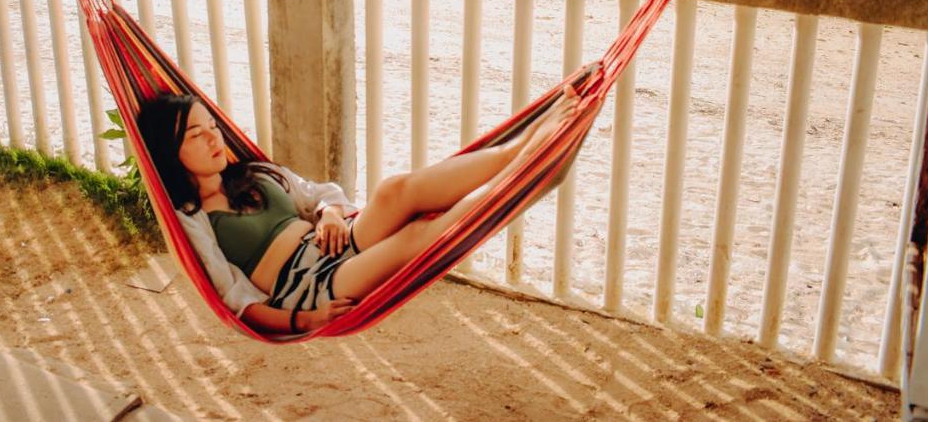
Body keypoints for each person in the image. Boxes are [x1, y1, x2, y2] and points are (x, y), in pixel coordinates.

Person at [136, 69, 591, 335]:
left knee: (393, 189)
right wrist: (303, 319)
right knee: (416, 236)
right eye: (197, 135)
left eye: (212, 127)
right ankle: (524, 167)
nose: (214, 139)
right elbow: (233, 298)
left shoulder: (254, 173)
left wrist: (330, 213)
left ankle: (522, 147)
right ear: (170, 153)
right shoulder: (191, 219)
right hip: (311, 284)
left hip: (334, 240)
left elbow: (319, 194)